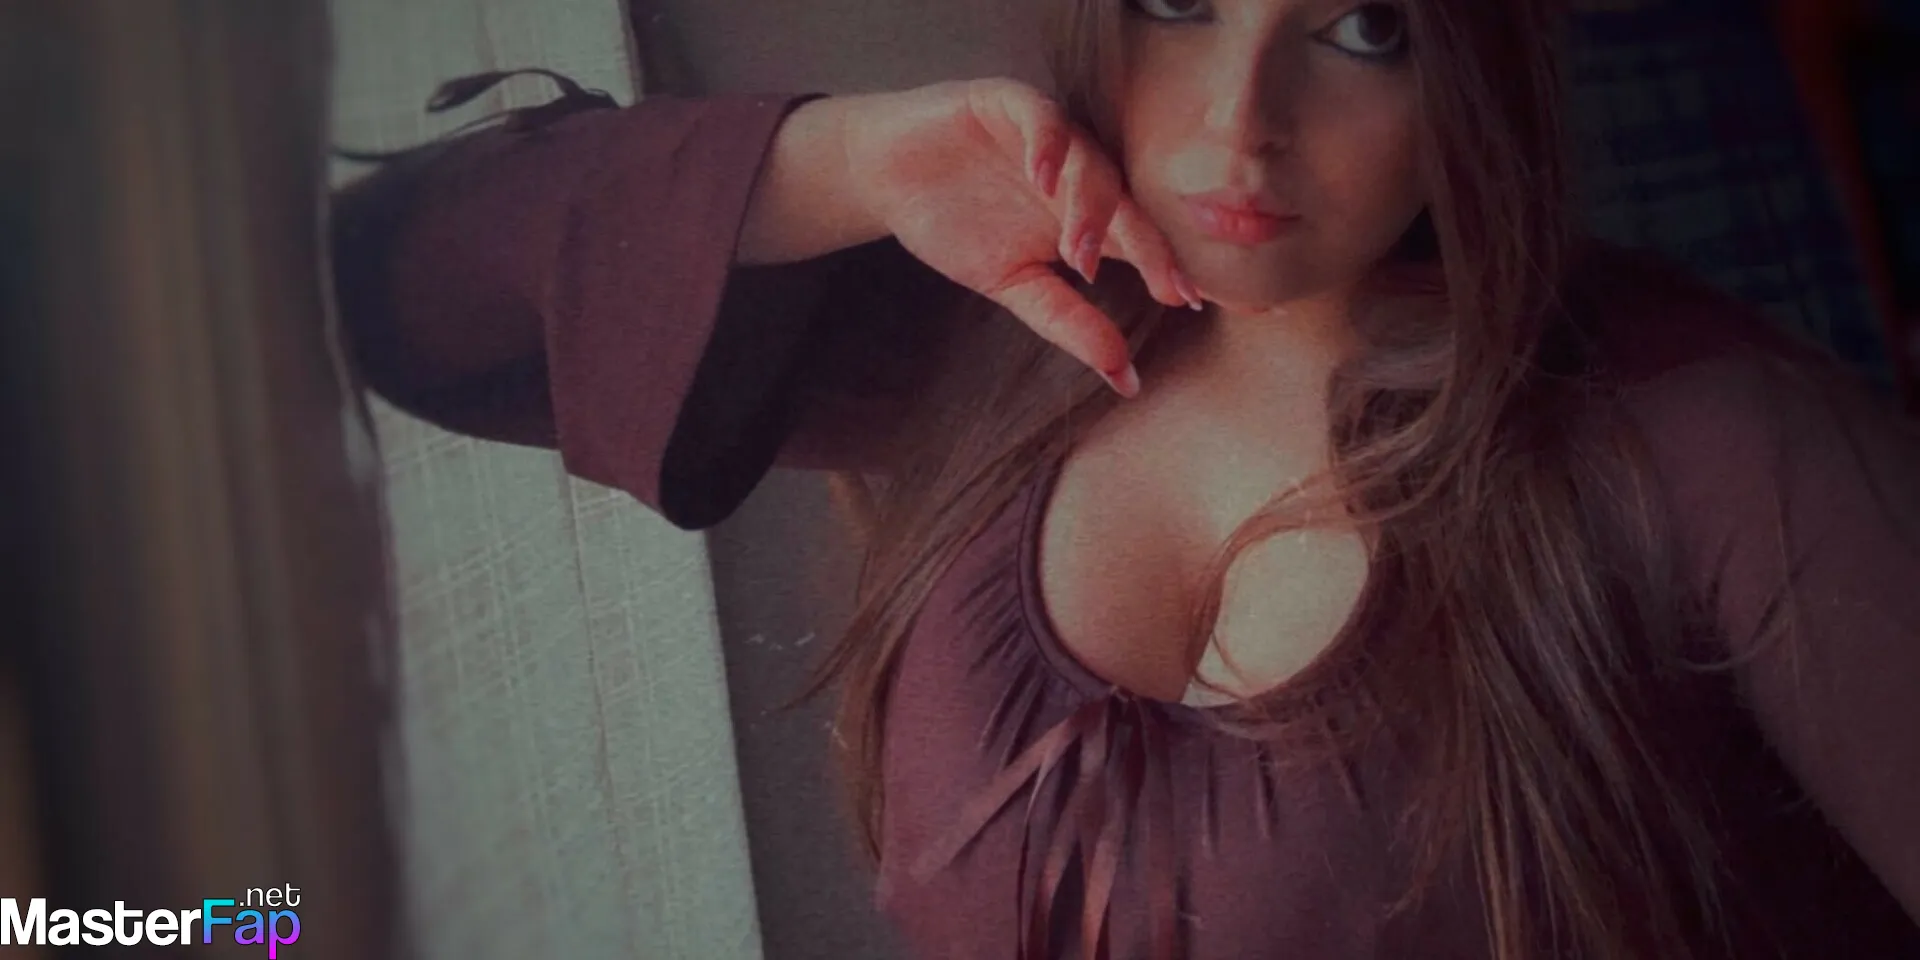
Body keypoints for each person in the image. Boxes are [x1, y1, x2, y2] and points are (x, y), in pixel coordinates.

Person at [329, 0, 1920, 956]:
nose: (1242, 122)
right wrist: (846, 162)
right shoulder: (999, 325)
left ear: (1478, 64)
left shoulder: (1714, 445)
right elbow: (405, 295)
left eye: (1366, 27)